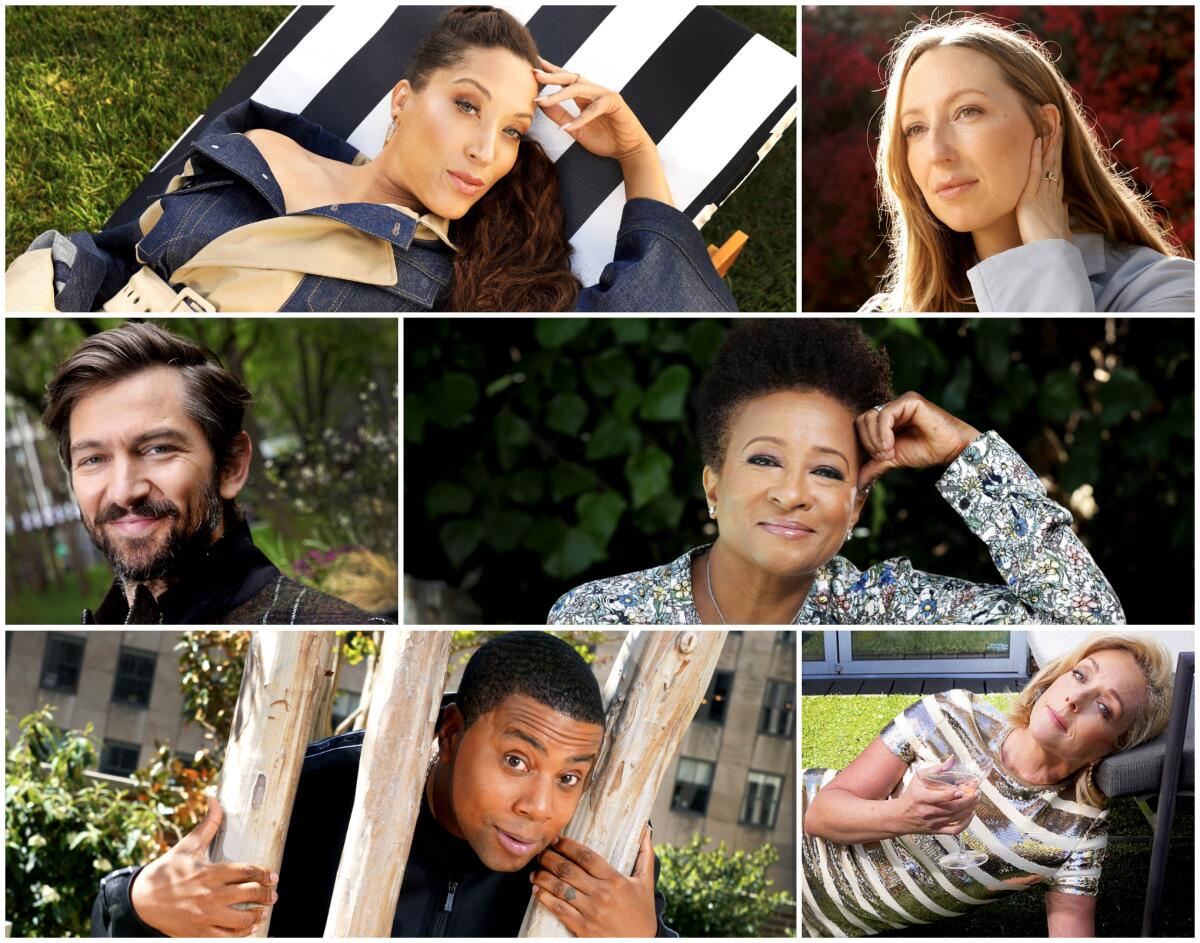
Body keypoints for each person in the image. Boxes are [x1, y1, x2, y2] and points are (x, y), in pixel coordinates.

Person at [5, 6, 735, 313]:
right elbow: (115, 250)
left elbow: (677, 312)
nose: (487, 151)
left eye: (514, 132)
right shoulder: (256, 143)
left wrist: (637, 150)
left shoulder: (463, 280)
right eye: (468, 105)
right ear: (402, 100)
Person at [91, 632, 676, 937]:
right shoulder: (312, 795)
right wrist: (138, 903)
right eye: (518, 762)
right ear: (451, 733)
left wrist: (649, 939)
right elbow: (127, 921)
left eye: (570, 777)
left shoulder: (595, 864)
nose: (541, 808)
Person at [548, 319, 1125, 624]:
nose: (793, 494)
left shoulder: (888, 613)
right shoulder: (596, 615)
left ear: (855, 505)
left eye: (825, 472)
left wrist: (965, 453)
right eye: (765, 459)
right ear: (714, 487)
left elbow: (1085, 624)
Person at [801, 632, 1175, 937]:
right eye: (1080, 675)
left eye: (1105, 708)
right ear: (1057, 675)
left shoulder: (1078, 831)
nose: (1075, 698)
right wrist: (904, 815)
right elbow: (819, 815)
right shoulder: (949, 714)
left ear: (1111, 747)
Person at [41, 321, 389, 625]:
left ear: (230, 466)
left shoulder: (336, 623)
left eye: (159, 449)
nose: (123, 492)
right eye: (93, 459)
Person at [859, 14, 1194, 312]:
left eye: (967, 111)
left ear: (1046, 127)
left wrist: (1047, 253)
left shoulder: (1169, 293)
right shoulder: (886, 312)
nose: (936, 152)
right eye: (915, 128)